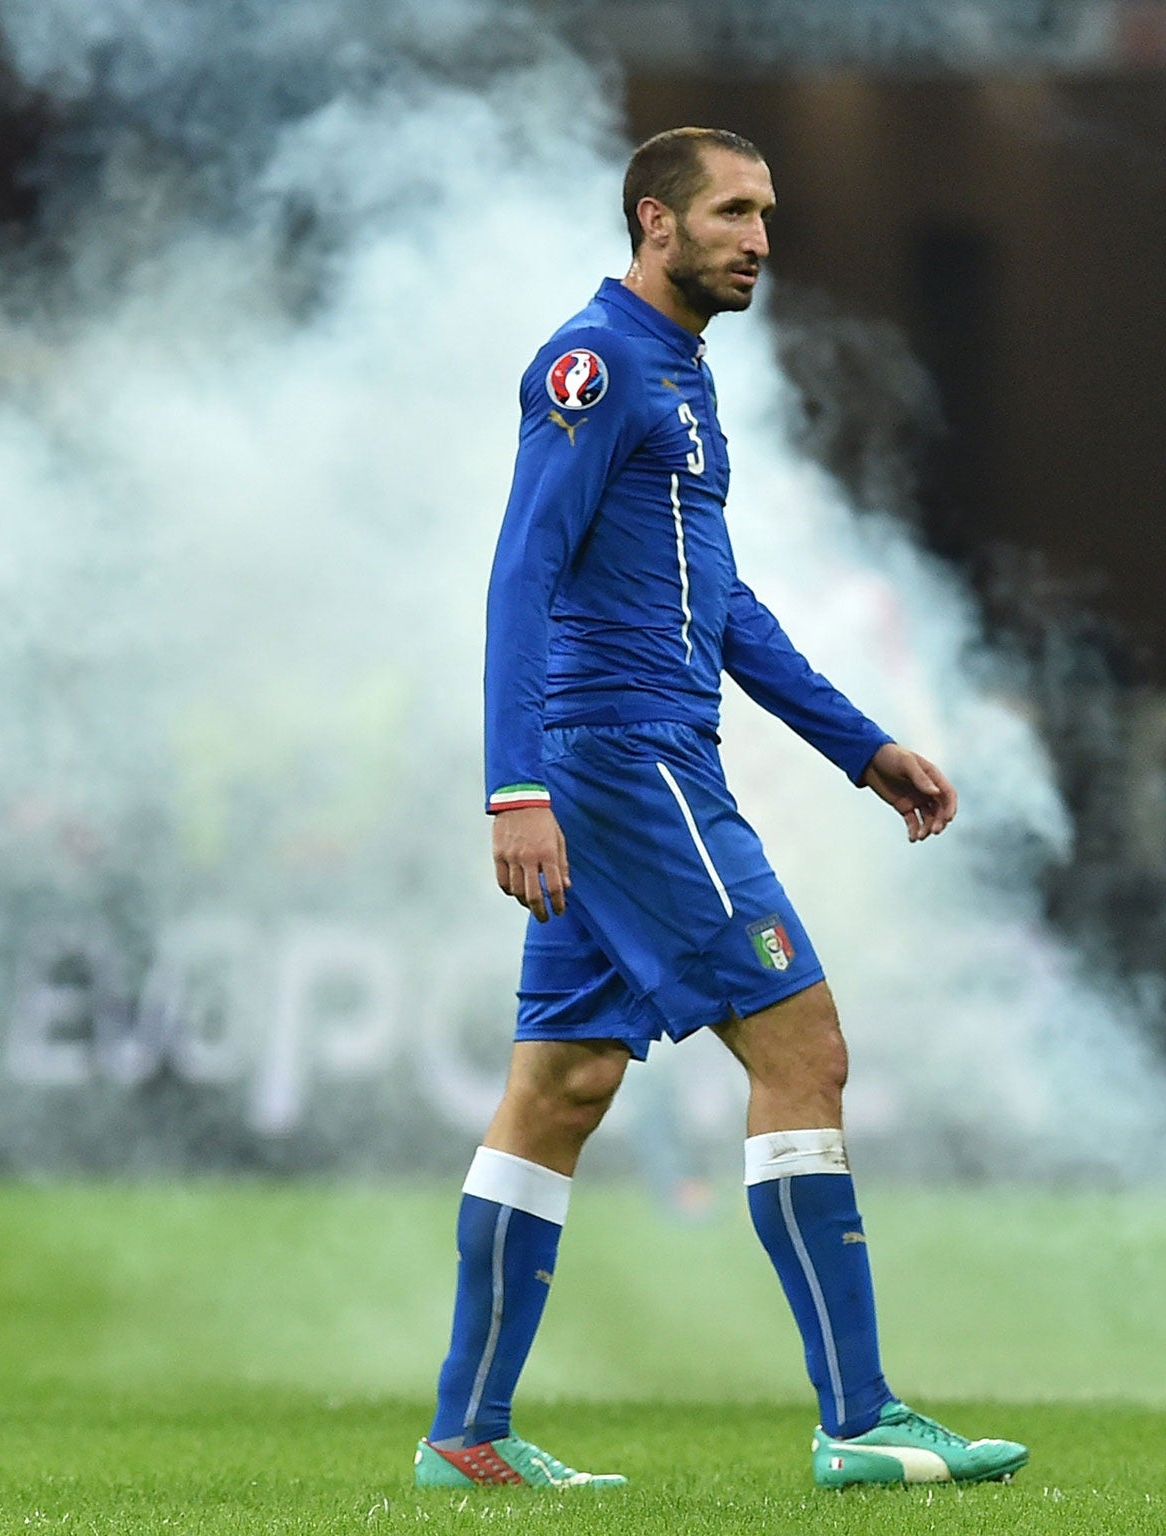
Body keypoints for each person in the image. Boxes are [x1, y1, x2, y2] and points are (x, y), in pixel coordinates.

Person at [414, 128, 1028, 1492]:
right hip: (625, 763)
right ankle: (860, 1417)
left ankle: (467, 1434)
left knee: (561, 1087)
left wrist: (860, 747)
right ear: (655, 223)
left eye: (767, 214)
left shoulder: (677, 374)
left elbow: (723, 604)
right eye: (733, 212)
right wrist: (515, 785)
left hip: (636, 755)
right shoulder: (596, 367)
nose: (761, 238)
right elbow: (523, 572)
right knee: (804, 1049)